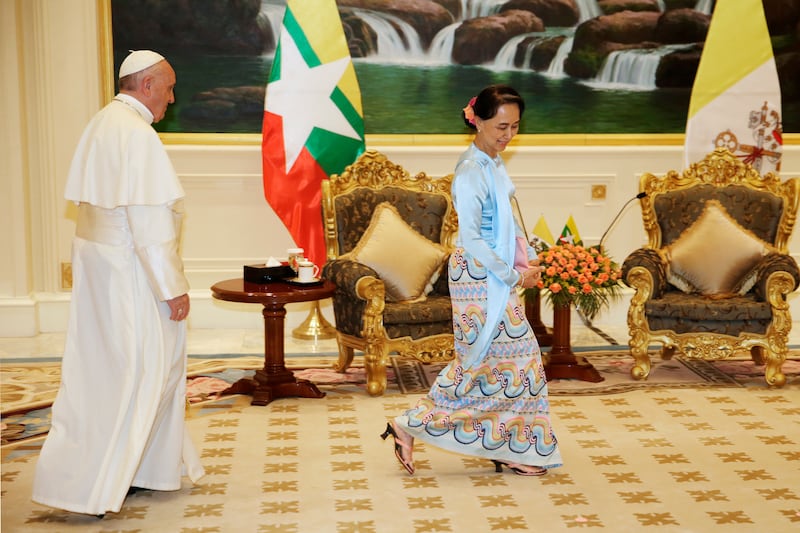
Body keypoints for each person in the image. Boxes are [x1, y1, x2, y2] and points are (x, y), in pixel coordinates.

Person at [32, 50, 205, 516]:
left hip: (102, 266)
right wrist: (173, 287)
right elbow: (150, 224)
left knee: (106, 370)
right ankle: (97, 484)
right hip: (133, 273)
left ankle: (139, 469)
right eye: (168, 87)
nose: (172, 97)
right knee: (145, 371)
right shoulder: (137, 135)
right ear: (146, 84)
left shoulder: (104, 121)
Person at [382, 85, 562, 476]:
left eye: (515, 127)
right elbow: (475, 239)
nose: (507, 134)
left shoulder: (493, 163)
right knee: (500, 363)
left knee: (502, 366)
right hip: (477, 276)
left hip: (495, 273)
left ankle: (505, 444)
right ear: (476, 121)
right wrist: (513, 273)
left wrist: (524, 260)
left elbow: (508, 222)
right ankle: (420, 425)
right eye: (500, 125)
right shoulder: (470, 171)